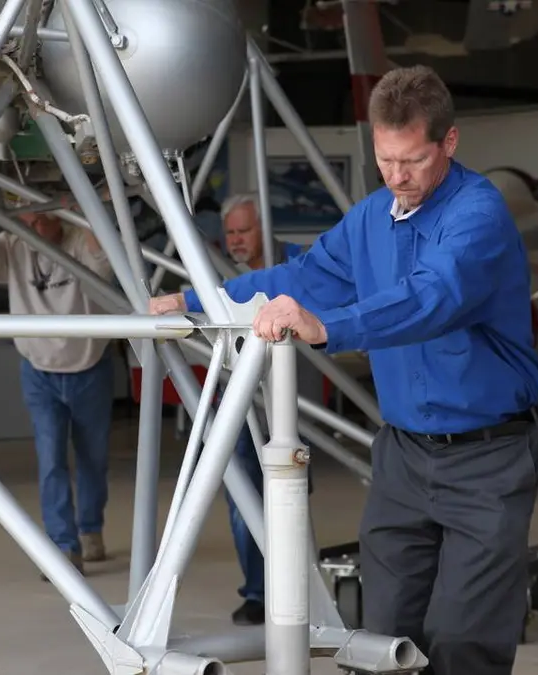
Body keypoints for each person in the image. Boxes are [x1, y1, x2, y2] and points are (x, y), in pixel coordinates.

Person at [149, 65, 538, 675]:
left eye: (413, 161)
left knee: (464, 639)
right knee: (381, 637)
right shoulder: (370, 218)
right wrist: (197, 300)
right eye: (386, 160)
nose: (397, 177)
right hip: (403, 456)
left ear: (449, 142)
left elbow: (432, 296)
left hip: (487, 458)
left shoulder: (478, 215)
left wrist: (329, 327)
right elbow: (303, 277)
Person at [0, 211, 115, 577]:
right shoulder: (14, 245)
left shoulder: (79, 240)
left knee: (93, 458)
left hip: (90, 366)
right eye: (25, 218)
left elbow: (102, 260)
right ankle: (63, 547)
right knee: (50, 458)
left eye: (40, 217)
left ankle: (90, 530)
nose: (33, 226)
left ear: (58, 214)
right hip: (39, 372)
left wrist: (91, 206)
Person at [209, 192, 305, 626]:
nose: (236, 240)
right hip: (239, 402)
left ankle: (297, 586)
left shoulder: (300, 264)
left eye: (244, 230)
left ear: (265, 227)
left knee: (293, 495)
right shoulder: (215, 275)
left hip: (292, 401)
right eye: (230, 232)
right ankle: (257, 592)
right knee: (243, 498)